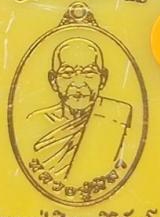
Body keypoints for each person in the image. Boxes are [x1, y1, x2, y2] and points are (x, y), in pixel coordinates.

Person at [27, 36, 132, 182]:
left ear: (103, 79)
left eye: (89, 73)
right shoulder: (33, 122)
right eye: (67, 73)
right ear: (53, 80)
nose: (78, 83)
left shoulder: (118, 117)